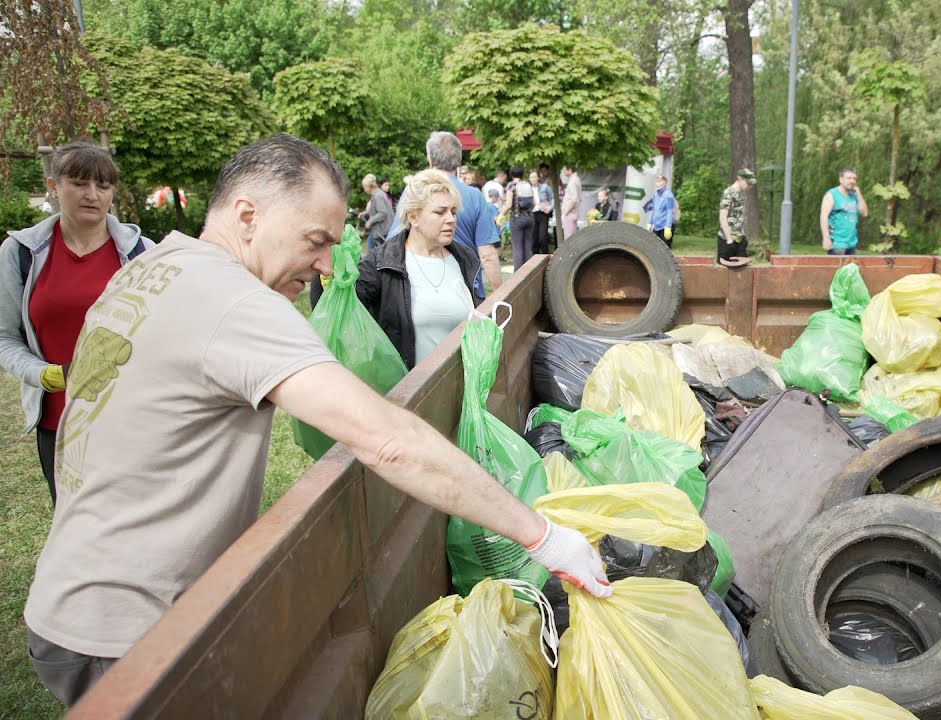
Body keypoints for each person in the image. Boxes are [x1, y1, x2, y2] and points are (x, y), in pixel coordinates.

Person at [22, 135, 610, 708]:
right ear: (247, 215)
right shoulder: (234, 301)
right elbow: (387, 441)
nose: (326, 262)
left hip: (68, 600)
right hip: (130, 632)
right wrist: (542, 535)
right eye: (315, 239)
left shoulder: (151, 268)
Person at [0, 141, 154, 508]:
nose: (92, 195)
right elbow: (5, 336)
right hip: (60, 423)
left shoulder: (141, 253)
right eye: (79, 183)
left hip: (129, 419)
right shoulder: (21, 253)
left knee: (135, 521)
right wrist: (44, 374)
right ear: (53, 187)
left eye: (103, 185)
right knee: (75, 526)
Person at [356, 169, 481, 369]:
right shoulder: (381, 264)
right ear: (413, 217)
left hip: (461, 389)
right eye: (440, 212)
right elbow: (343, 311)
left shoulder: (465, 259)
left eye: (453, 212)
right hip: (406, 393)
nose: (450, 219)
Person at [388, 132, 502, 294]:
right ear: (459, 159)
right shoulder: (474, 196)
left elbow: (394, 241)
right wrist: (500, 295)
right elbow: (488, 255)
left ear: (429, 159)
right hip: (467, 289)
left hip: (423, 289)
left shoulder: (414, 192)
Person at [820, 167, 868, 256]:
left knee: (850, 270)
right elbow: (824, 216)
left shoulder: (854, 196)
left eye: (854, 179)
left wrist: (859, 194)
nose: (852, 181)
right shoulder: (832, 194)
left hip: (852, 243)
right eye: (849, 178)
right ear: (841, 179)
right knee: (838, 270)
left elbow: (864, 213)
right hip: (837, 243)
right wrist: (826, 239)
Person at [718, 169, 755, 267]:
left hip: (739, 239)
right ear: (739, 179)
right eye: (748, 183)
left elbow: (738, 218)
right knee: (724, 274)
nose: (749, 187)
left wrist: (742, 235)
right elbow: (723, 217)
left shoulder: (739, 195)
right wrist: (729, 240)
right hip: (727, 240)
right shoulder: (728, 193)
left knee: (743, 272)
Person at [504, 166, 537, 271]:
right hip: (529, 218)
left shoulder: (511, 186)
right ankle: (530, 272)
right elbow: (534, 203)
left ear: (511, 174)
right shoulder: (527, 185)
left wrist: (500, 214)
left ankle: (518, 275)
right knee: (528, 246)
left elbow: (509, 204)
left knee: (517, 248)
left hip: (517, 219)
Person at [359, 173, 394, 252]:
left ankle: (373, 263)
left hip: (383, 229)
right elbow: (375, 210)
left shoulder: (378, 196)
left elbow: (382, 213)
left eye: (365, 187)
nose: (364, 189)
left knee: (370, 246)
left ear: (370, 186)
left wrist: (370, 221)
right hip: (380, 229)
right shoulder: (377, 194)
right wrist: (364, 213)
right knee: (374, 247)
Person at [644, 176, 676, 247]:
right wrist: (650, 223)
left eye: (659, 182)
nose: (657, 184)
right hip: (656, 226)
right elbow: (654, 210)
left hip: (665, 226)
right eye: (656, 182)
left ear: (664, 183)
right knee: (654, 246)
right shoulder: (656, 195)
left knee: (665, 248)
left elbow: (670, 211)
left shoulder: (668, 195)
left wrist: (668, 227)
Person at [531, 169, 554, 255]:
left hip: (543, 213)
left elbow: (553, 197)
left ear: (538, 178)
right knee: (534, 237)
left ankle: (545, 256)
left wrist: (550, 208)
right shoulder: (528, 189)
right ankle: (534, 257)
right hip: (532, 213)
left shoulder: (544, 187)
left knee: (542, 237)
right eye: (531, 177)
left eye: (534, 177)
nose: (532, 179)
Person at [560, 164, 582, 239]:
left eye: (564, 169)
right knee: (571, 238)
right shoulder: (575, 179)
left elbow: (574, 199)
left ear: (569, 170)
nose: (563, 171)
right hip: (572, 213)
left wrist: (565, 213)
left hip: (570, 214)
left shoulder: (573, 181)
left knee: (569, 239)